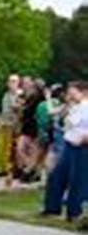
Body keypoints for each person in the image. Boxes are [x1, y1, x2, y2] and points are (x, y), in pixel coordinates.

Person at [41, 80, 87, 224]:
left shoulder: (85, 107)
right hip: (69, 144)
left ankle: (74, 212)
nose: (70, 94)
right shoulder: (75, 106)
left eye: (73, 91)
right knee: (57, 175)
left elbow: (71, 123)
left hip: (81, 146)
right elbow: (61, 119)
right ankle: (52, 207)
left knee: (77, 180)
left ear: (83, 92)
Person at [0, 74, 21, 179]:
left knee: (11, 147)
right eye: (10, 81)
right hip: (4, 123)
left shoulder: (20, 94)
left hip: (14, 124)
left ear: (18, 83)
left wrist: (16, 105)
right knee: (2, 147)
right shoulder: (6, 95)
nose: (11, 84)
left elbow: (19, 108)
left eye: (14, 81)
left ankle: (11, 169)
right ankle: (3, 168)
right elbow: (4, 111)